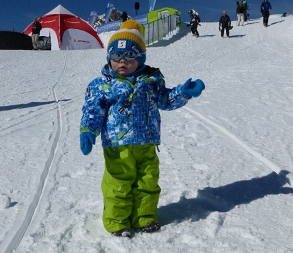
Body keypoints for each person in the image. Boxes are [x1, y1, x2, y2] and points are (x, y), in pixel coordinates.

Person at [79, 20, 205, 238]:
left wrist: (183, 93)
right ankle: (117, 221)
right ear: (109, 58)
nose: (122, 62)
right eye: (116, 57)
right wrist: (88, 130)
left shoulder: (151, 81)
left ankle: (144, 217)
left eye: (129, 57)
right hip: (118, 146)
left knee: (147, 182)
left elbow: (165, 100)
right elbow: (93, 109)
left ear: (140, 59)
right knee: (118, 184)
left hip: (146, 142)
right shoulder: (102, 85)